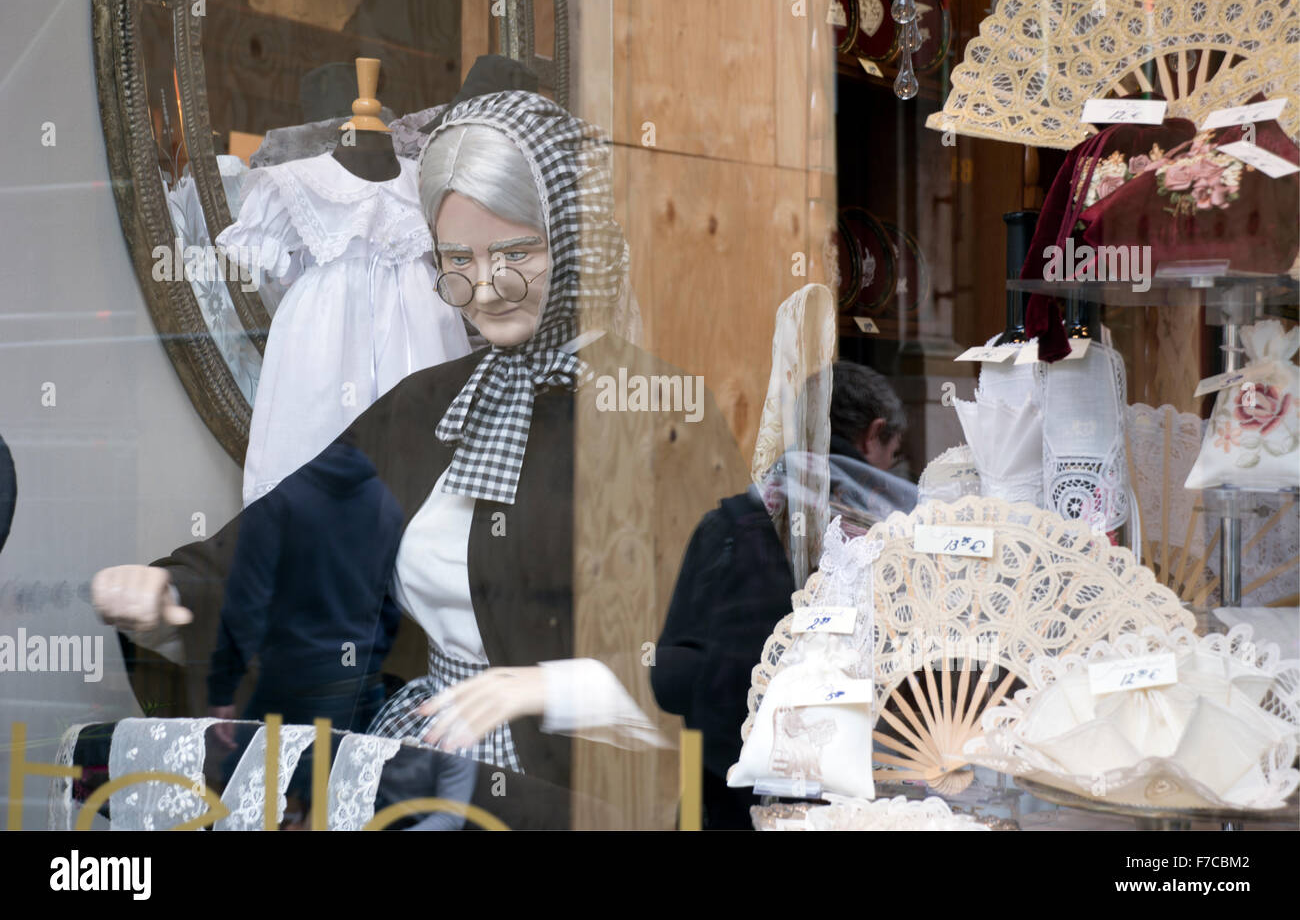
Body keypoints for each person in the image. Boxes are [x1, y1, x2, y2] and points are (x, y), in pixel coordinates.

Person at [90, 90, 748, 825]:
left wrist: (548, 688)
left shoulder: (665, 416)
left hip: (591, 793)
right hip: (423, 764)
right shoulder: (427, 407)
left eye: (515, 253)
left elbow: (729, 655)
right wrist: (178, 590)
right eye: (457, 261)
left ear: (578, 238)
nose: (484, 289)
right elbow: (298, 535)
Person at [651, 359, 912, 828]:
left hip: (724, 799)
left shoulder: (725, 528)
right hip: (847, 807)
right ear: (874, 435)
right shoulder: (883, 541)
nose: (891, 470)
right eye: (893, 453)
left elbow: (668, 684)